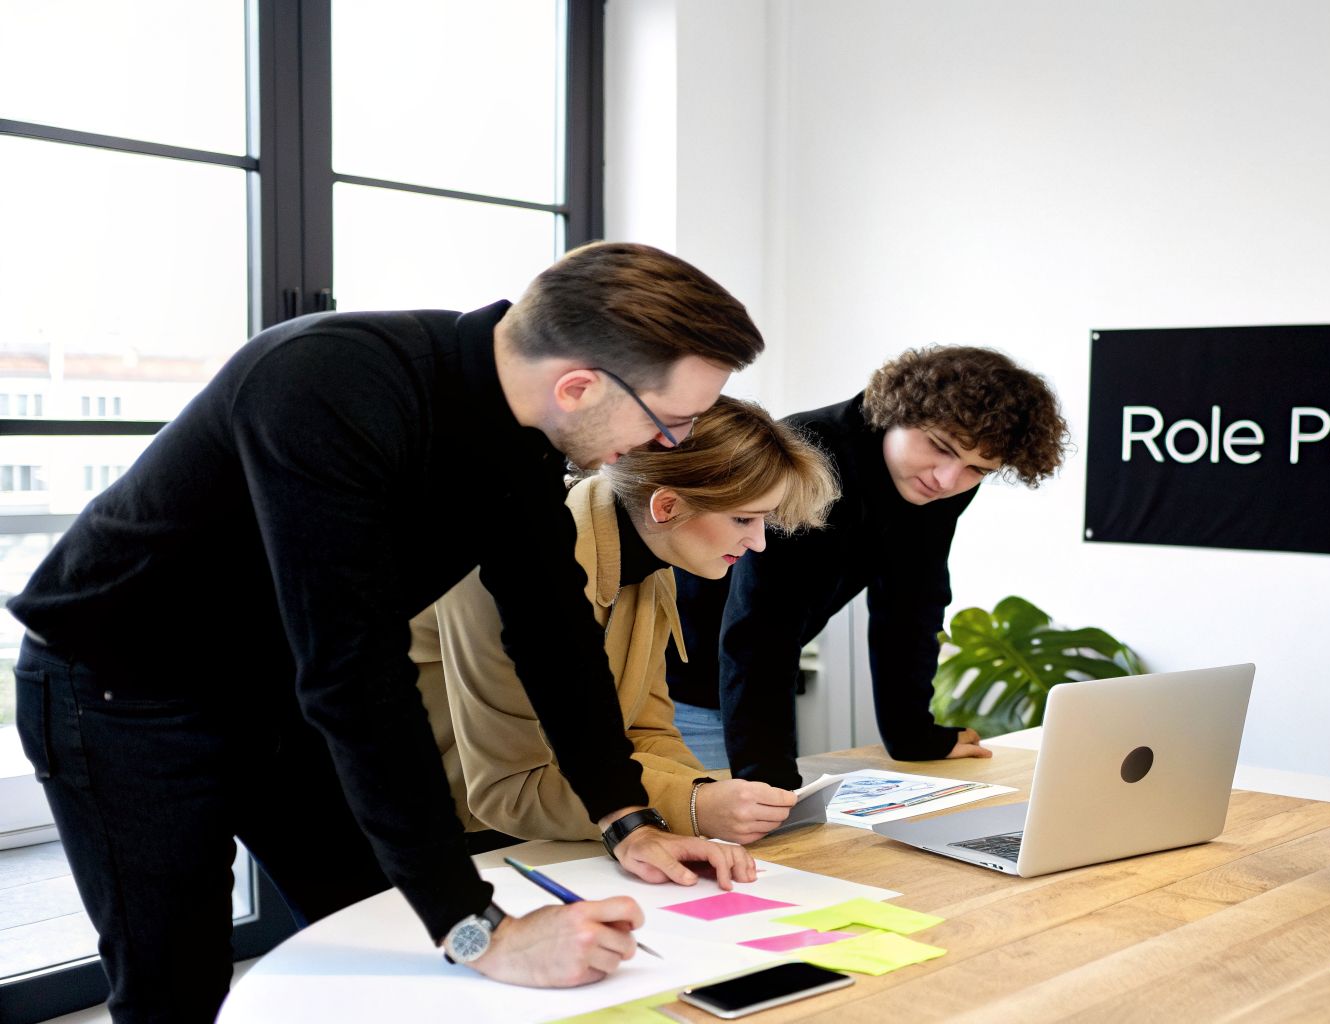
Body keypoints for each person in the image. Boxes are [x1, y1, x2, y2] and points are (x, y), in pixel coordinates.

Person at [9, 242, 766, 1021]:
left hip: (276, 682)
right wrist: (480, 929)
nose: (666, 449)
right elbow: (356, 670)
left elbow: (553, 629)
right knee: (176, 980)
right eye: (669, 424)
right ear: (577, 386)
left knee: (384, 927)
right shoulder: (329, 383)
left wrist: (627, 820)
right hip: (120, 688)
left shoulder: (524, 435)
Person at [413, 397, 837, 846]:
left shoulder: (651, 565)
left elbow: (642, 732)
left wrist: (708, 797)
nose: (757, 543)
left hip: (539, 823)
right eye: (742, 519)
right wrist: (692, 809)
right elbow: (512, 786)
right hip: (411, 830)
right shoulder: (509, 567)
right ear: (667, 506)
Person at [666, 346, 1069, 787]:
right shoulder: (807, 453)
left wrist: (913, 736)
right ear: (893, 411)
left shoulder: (935, 486)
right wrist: (769, 780)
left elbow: (913, 603)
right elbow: (762, 625)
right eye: (939, 447)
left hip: (753, 686)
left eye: (977, 469)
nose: (947, 479)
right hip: (679, 688)